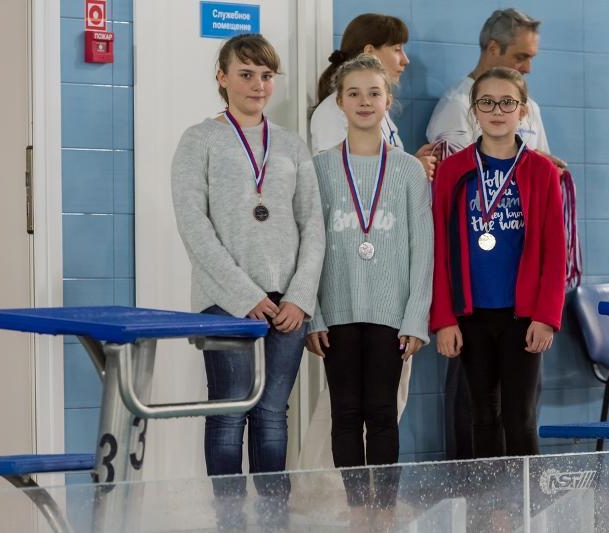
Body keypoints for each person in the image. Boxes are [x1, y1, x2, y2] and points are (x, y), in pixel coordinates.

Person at [171, 33, 325, 526]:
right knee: (229, 412)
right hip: (226, 300)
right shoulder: (200, 140)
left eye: (266, 75)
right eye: (246, 74)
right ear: (222, 77)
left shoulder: (291, 145)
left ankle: (274, 519)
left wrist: (300, 297)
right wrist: (245, 295)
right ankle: (230, 520)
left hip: (288, 303)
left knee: (273, 414)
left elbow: (313, 225)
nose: (258, 85)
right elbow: (194, 226)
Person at [425, 7, 564, 460]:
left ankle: (525, 499)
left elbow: (555, 251)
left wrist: (547, 315)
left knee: (520, 417)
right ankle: (486, 501)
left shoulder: (541, 172)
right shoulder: (453, 172)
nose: (497, 111)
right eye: (486, 103)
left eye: (507, 103)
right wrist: (444, 318)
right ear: (474, 111)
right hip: (471, 313)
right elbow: (440, 251)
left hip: (523, 314)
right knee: (481, 415)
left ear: (523, 111)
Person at [299, 13, 436, 471]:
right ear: (338, 101)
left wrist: (416, 317)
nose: (364, 102)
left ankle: (383, 506)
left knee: (382, 415)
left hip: (391, 315)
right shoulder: (320, 169)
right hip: (336, 311)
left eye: (373, 93)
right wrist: (314, 314)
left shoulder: (408, 170)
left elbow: (423, 250)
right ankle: (355, 506)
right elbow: (308, 249)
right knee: (344, 415)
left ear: (388, 101)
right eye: (354, 94)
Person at [426, 8, 564, 169]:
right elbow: (457, 175)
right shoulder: (457, 105)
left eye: (531, 58)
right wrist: (527, 161)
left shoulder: (530, 107)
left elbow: (543, 171)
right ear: (493, 48)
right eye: (520, 57)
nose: (528, 69)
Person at [310, 13, 438, 178]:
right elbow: (338, 177)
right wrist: (410, 171)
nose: (405, 60)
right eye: (397, 49)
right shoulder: (334, 112)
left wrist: (410, 162)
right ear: (369, 52)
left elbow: (378, 166)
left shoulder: (375, 108)